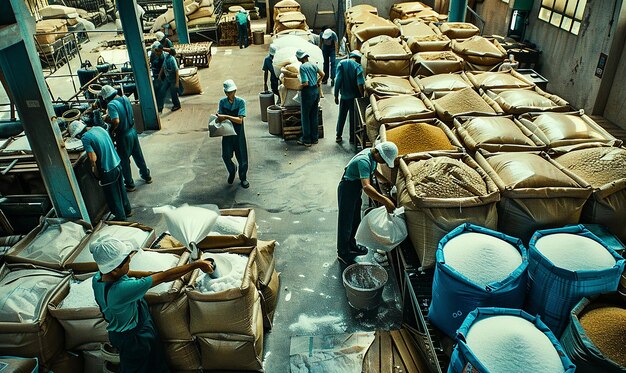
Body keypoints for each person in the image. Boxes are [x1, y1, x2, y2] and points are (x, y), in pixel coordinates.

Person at [90, 235, 214, 372]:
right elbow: (165, 277)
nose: (130, 263)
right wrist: (197, 264)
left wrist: (152, 274)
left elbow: (131, 273)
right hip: (134, 338)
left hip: (123, 333)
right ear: (114, 269)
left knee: (156, 364)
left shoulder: (98, 277)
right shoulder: (122, 290)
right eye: (127, 262)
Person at [336, 142, 398, 265]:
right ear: (377, 152)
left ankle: (352, 246)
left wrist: (387, 182)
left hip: (355, 189)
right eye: (383, 159)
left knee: (355, 220)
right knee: (345, 223)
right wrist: (385, 200)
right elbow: (367, 187)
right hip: (348, 189)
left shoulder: (373, 155)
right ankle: (343, 253)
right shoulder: (363, 160)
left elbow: (374, 171)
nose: (383, 163)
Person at [68, 120, 131, 221]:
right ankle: (127, 210)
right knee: (121, 189)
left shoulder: (85, 138)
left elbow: (93, 158)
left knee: (113, 195)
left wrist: (94, 169)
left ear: (78, 135)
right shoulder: (99, 128)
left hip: (107, 169)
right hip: (117, 162)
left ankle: (120, 217)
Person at [99, 85, 152, 193]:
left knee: (124, 160)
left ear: (106, 97)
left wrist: (112, 130)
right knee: (138, 155)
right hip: (132, 131)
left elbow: (116, 120)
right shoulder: (125, 98)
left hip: (123, 135)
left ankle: (129, 184)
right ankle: (147, 176)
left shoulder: (111, 105)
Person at [217, 79, 249, 188]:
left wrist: (226, 117)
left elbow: (240, 120)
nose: (231, 94)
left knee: (242, 156)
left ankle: (243, 178)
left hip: (238, 133)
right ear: (225, 93)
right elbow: (219, 117)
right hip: (227, 133)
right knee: (226, 155)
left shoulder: (240, 102)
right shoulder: (222, 102)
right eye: (229, 92)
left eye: (233, 92)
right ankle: (231, 170)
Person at [334, 50, 365, 144]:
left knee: (342, 116)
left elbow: (338, 80)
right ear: (358, 59)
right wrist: (362, 96)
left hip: (343, 97)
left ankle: (338, 135)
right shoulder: (358, 66)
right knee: (353, 118)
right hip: (354, 98)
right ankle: (352, 138)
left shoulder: (341, 64)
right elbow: (360, 84)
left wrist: (336, 95)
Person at [296, 49, 324, 147]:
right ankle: (314, 138)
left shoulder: (302, 67)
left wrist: (298, 87)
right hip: (315, 92)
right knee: (314, 115)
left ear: (300, 58)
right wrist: (318, 81)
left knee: (305, 117)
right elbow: (323, 74)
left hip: (307, 93)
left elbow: (305, 83)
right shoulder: (313, 65)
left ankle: (306, 139)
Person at [158, 48, 181, 113]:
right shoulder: (165, 57)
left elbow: (176, 71)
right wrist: (159, 75)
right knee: (162, 90)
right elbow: (163, 67)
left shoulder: (171, 59)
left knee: (173, 93)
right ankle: (160, 107)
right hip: (167, 78)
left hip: (173, 79)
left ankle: (177, 105)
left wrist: (177, 83)